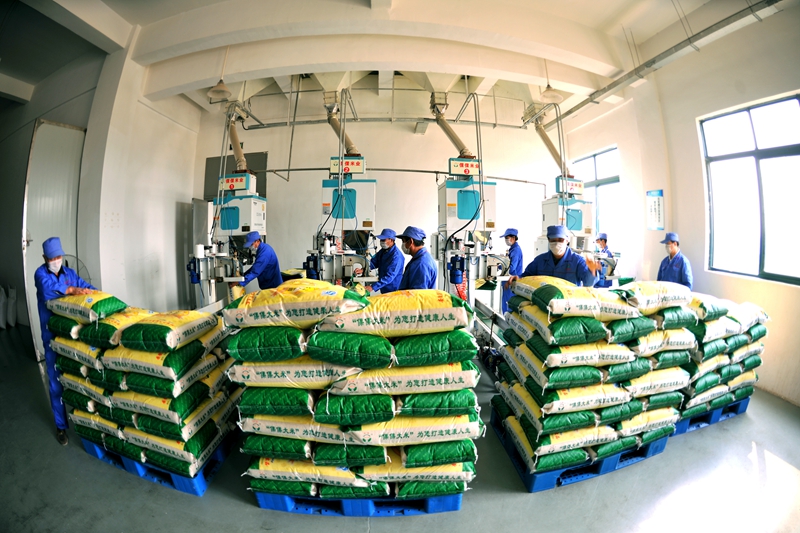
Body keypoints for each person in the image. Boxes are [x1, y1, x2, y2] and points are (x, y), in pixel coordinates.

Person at [34, 237, 96, 446]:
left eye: (58, 257)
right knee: (55, 382)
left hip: (71, 335)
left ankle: (86, 422)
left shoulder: (69, 273)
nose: (56, 261)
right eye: (52, 258)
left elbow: (83, 286)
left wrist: (96, 293)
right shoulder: (40, 274)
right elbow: (48, 289)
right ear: (45, 258)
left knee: (80, 375)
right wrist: (70, 290)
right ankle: (61, 426)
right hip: (52, 335)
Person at [507, 225, 599, 287]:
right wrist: (518, 278)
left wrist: (592, 271)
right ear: (548, 240)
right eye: (553, 240)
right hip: (544, 305)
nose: (556, 243)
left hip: (568, 306)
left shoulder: (577, 261)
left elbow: (588, 283)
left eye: (560, 240)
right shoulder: (540, 261)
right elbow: (527, 275)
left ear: (567, 240)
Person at [366, 228, 404, 294]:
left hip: (393, 289)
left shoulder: (396, 256)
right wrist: (365, 268)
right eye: (381, 240)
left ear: (391, 240)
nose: (381, 242)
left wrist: (372, 287)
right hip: (384, 288)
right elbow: (374, 262)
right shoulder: (383, 251)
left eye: (383, 240)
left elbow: (390, 276)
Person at [501, 228, 523, 312]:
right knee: (506, 305)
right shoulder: (512, 250)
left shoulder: (516, 250)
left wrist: (500, 266)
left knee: (509, 306)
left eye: (507, 238)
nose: (506, 240)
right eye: (505, 238)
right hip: (508, 281)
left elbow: (511, 268)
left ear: (513, 238)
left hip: (511, 281)